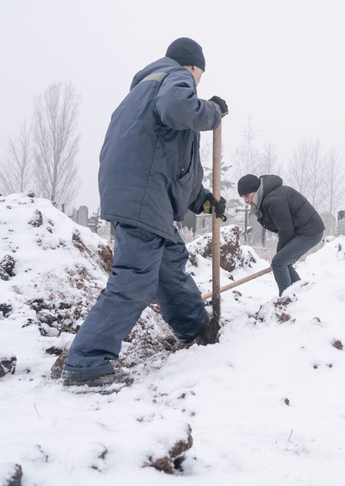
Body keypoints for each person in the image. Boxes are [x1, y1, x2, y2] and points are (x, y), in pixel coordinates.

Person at [62, 38, 228, 387]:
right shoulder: (175, 77)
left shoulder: (142, 93)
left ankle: (197, 329)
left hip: (137, 191)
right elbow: (179, 108)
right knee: (135, 277)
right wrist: (212, 111)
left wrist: (206, 203)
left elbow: (171, 164)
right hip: (142, 195)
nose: (198, 84)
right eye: (200, 76)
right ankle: (87, 362)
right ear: (194, 67)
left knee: (168, 267)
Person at [238, 174, 324, 295]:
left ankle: (285, 300)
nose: (246, 201)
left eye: (247, 196)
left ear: (256, 191)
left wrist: (280, 253)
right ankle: (298, 295)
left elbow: (285, 230)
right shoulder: (267, 199)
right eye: (243, 197)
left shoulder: (273, 199)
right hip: (302, 231)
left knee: (279, 262)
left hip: (310, 231)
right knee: (283, 262)